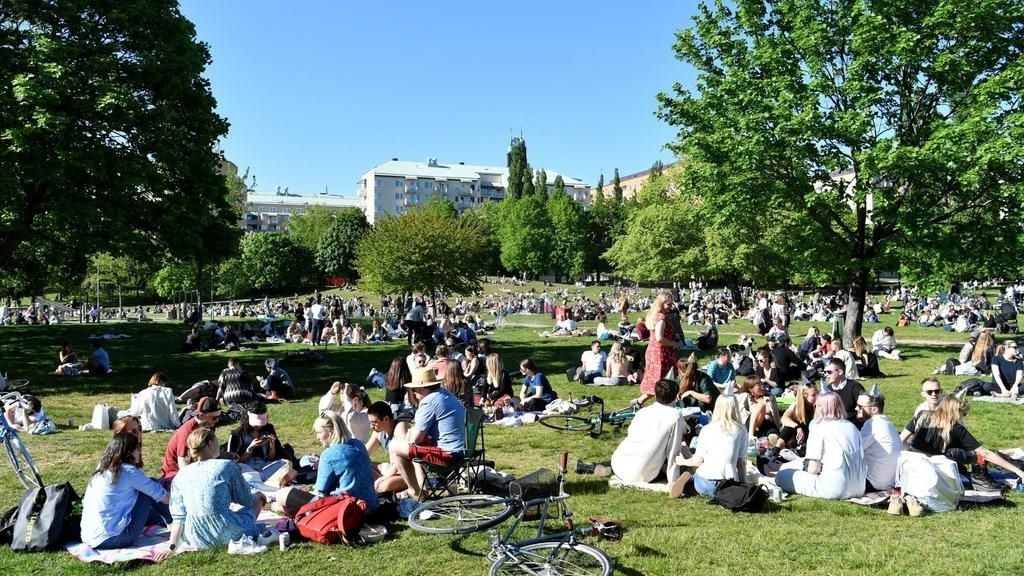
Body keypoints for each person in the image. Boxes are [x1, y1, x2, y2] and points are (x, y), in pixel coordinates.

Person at [166, 426, 266, 551]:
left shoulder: (181, 474)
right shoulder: (226, 466)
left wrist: (172, 546)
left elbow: (179, 517)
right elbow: (246, 499)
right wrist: (259, 496)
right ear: (211, 443)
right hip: (227, 532)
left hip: (196, 537)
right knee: (258, 499)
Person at [903, 392, 1024, 485]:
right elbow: (985, 453)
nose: (963, 417)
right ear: (956, 412)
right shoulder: (956, 428)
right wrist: (1018, 471)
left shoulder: (922, 415)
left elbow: (901, 439)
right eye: (963, 414)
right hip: (936, 471)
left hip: (912, 466)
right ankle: (1013, 458)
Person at [388, 366, 466, 502]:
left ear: (420, 389)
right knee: (414, 449)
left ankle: (414, 491)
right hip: (461, 450)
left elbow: (414, 439)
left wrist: (408, 434)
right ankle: (422, 489)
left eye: (413, 390)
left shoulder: (429, 401)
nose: (413, 394)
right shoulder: (445, 394)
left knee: (394, 447)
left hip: (447, 454)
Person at [81, 434, 170, 549]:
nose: (140, 452)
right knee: (148, 490)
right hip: (115, 537)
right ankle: (175, 521)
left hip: (89, 537)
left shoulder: (102, 470)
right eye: (137, 448)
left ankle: (164, 519)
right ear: (130, 451)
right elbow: (163, 497)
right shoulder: (128, 472)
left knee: (148, 497)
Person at [775, 392, 865, 500]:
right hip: (859, 488)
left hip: (834, 489)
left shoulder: (819, 427)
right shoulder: (852, 427)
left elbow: (813, 469)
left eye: (816, 406)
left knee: (781, 475)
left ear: (821, 408)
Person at [609, 378, 687, 486]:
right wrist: (674, 480)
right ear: (675, 397)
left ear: (655, 395)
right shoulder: (675, 416)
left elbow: (630, 434)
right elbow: (673, 450)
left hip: (618, 463)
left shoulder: (642, 412)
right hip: (642, 474)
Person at [673, 394, 747, 498]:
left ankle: (689, 483)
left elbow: (697, 461)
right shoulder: (741, 430)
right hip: (728, 483)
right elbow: (741, 464)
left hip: (704, 480)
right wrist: (744, 485)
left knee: (698, 477)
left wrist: (682, 461)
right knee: (722, 490)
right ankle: (699, 487)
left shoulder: (707, 429)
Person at [223, 402, 291, 482]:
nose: (259, 426)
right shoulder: (238, 434)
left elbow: (271, 458)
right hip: (246, 467)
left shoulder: (268, 429)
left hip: (264, 465)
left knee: (287, 463)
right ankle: (262, 479)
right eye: (256, 423)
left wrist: (272, 445)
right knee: (240, 470)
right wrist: (250, 449)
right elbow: (234, 462)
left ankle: (260, 479)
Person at [634, 293, 680, 408]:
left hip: (654, 351)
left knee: (657, 380)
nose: (671, 306)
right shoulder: (661, 318)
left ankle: (638, 402)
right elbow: (659, 338)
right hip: (661, 353)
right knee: (664, 382)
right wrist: (673, 343)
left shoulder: (654, 315)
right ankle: (663, 406)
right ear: (661, 303)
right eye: (668, 304)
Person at [161, 396, 222, 481]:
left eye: (219, 416)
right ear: (201, 415)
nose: (217, 420)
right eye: (214, 418)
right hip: (174, 475)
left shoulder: (208, 426)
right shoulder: (187, 432)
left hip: (195, 466)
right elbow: (183, 465)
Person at [856, 385, 901, 491]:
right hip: (888, 481)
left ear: (874, 409)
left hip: (873, 482)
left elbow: (854, 449)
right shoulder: (887, 423)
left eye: (860, 407)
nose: (856, 408)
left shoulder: (873, 424)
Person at [365, 402, 412, 495]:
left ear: (386, 419)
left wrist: (385, 477)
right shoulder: (379, 433)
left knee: (383, 486)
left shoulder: (400, 428)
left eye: (374, 422)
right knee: (363, 466)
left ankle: (380, 483)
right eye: (370, 423)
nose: (371, 427)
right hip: (390, 470)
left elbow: (404, 459)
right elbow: (364, 454)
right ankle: (377, 483)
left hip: (405, 472)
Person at [776, 384, 817, 453]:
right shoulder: (796, 405)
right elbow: (784, 418)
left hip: (812, 436)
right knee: (788, 426)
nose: (817, 397)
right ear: (804, 396)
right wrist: (798, 427)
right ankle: (776, 449)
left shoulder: (818, 405)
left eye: (817, 394)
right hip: (800, 434)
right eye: (813, 395)